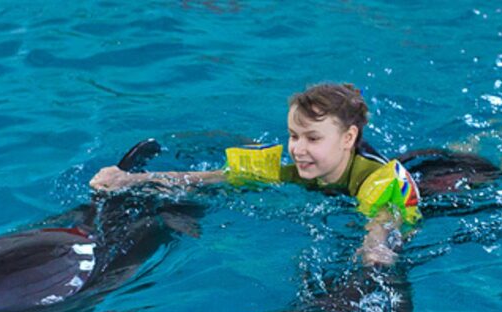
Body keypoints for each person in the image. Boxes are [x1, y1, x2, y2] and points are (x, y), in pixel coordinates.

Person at [89, 83, 421, 266]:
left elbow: (383, 218)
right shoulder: (296, 168)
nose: (298, 149)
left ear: (348, 138)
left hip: (429, 185)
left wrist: (374, 247)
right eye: (293, 135)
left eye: (313, 138)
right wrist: (131, 180)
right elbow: (213, 177)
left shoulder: (377, 181)